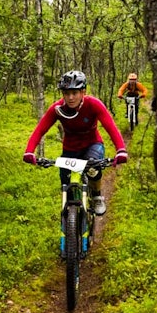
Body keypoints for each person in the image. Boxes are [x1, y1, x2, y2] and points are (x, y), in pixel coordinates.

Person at [23, 70, 127, 216]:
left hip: (92, 144)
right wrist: (29, 151)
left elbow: (111, 127)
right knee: (65, 181)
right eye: (66, 93)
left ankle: (96, 196)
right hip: (70, 149)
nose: (70, 97)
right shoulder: (58, 109)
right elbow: (40, 130)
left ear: (83, 92)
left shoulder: (94, 104)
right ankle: (69, 214)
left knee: (93, 168)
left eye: (74, 93)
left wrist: (121, 150)